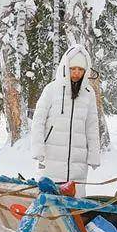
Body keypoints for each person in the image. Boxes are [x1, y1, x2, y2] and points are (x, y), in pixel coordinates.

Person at [30, 44, 100, 197]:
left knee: (75, 208)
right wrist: (38, 148)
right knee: (49, 204)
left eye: (80, 70)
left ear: (86, 71)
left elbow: (92, 126)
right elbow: (38, 120)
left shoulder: (89, 93)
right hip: (51, 159)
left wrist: (94, 154)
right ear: (65, 67)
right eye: (73, 68)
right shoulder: (51, 89)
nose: (76, 73)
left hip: (78, 162)